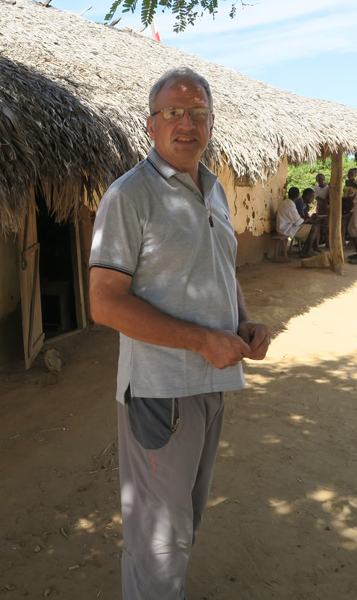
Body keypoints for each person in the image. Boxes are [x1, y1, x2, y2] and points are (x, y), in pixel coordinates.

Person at [88, 67, 272, 600]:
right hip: (159, 395)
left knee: (184, 524)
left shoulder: (213, 190)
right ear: (151, 124)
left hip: (212, 385)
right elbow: (104, 303)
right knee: (158, 541)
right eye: (172, 112)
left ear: (211, 124)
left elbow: (220, 269)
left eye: (197, 113)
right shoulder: (129, 196)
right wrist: (200, 341)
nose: (185, 123)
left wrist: (242, 322)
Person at [278, 186, 321, 258]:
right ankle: (307, 251)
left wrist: (310, 219)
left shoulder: (285, 202)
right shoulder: (291, 205)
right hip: (286, 229)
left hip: (284, 227)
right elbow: (299, 222)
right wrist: (312, 218)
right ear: (297, 196)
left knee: (312, 227)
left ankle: (305, 250)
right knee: (313, 228)